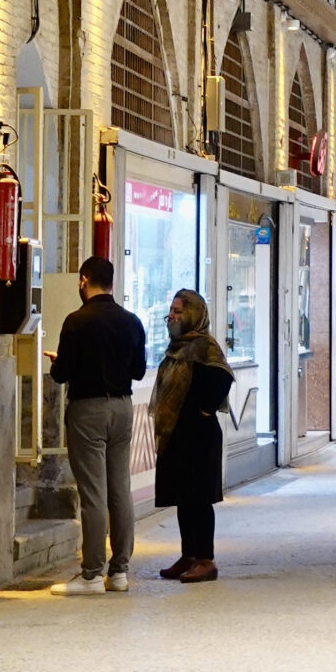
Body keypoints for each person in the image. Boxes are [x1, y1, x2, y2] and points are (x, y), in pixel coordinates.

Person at [49, 253, 147, 595]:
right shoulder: (132, 321)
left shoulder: (76, 321)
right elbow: (138, 371)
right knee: (120, 490)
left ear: (83, 280)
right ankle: (119, 571)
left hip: (88, 410)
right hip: (122, 408)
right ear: (113, 284)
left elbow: (61, 374)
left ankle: (91, 573)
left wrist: (61, 361)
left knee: (93, 494)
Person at [151, 289, 234, 586]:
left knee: (199, 499)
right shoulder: (177, 347)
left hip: (199, 436)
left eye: (178, 311)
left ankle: (205, 560)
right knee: (183, 497)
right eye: (171, 310)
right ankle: (188, 555)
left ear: (194, 315)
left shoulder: (203, 346)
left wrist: (204, 408)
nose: (171, 315)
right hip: (178, 434)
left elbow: (224, 376)